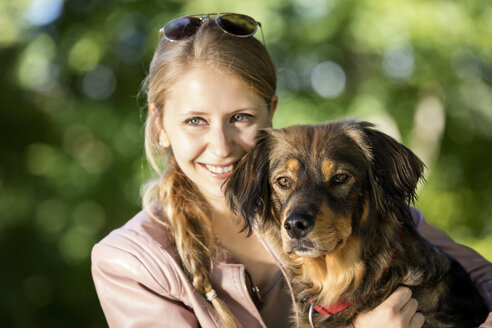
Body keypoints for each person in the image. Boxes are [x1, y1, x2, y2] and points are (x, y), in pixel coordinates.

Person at [91, 13, 492, 327]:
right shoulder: (131, 263)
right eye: (195, 120)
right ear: (160, 126)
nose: (221, 145)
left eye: (241, 117)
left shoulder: (379, 217)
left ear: (272, 114)